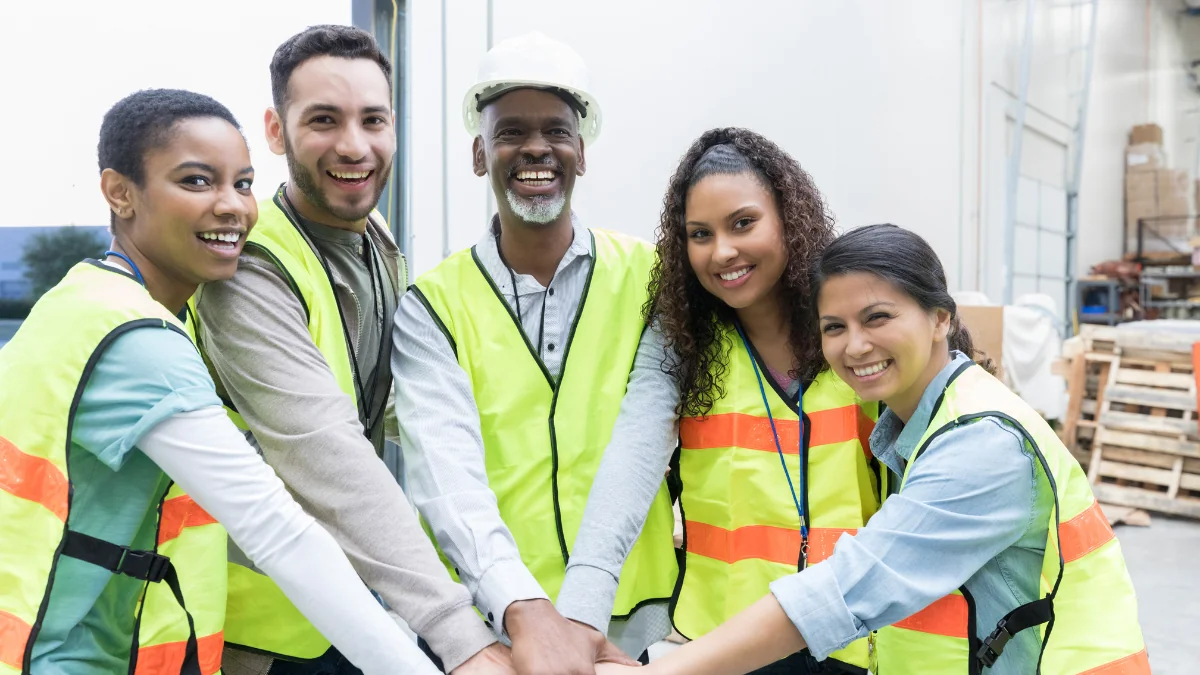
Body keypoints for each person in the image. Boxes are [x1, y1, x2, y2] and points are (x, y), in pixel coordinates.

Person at [0, 88, 441, 675]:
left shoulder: (90, 301)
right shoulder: (136, 340)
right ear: (119, 192)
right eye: (196, 181)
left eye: (242, 182)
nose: (233, 206)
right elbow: (274, 530)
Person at [598, 224, 1149, 675]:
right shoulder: (914, 428)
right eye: (834, 327)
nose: (855, 346)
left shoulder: (983, 442)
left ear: (940, 318)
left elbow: (856, 585)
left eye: (877, 318)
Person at [190, 25, 507, 675]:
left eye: (373, 119)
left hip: (347, 609)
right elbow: (329, 454)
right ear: (276, 132)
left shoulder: (373, 238)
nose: (354, 146)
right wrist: (459, 630)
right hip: (267, 634)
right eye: (324, 120)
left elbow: (407, 413)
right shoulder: (249, 268)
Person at [392, 32, 678, 675]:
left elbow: (643, 444)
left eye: (556, 131)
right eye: (510, 132)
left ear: (582, 153)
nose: (536, 149)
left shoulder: (653, 280)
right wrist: (523, 610)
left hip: (633, 624)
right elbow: (446, 479)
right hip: (494, 628)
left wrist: (576, 617)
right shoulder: (432, 303)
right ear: (478, 154)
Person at [555, 128, 880, 674]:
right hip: (720, 650)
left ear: (789, 217)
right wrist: (579, 617)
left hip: (854, 641)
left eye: (743, 223)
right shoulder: (683, 346)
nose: (722, 251)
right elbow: (632, 462)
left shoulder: (851, 335)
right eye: (699, 234)